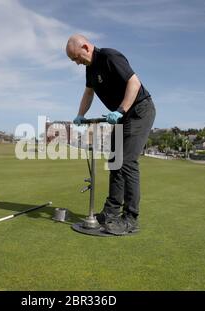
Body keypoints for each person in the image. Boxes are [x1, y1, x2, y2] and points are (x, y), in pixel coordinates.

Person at [66, 34, 156, 235]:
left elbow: (134, 83)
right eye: (73, 60)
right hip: (122, 116)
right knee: (115, 161)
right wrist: (80, 114)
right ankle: (111, 213)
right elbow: (89, 92)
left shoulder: (109, 57)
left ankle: (130, 218)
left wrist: (121, 111)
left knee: (128, 162)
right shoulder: (90, 69)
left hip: (139, 110)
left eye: (76, 57)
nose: (77, 63)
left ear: (86, 47)